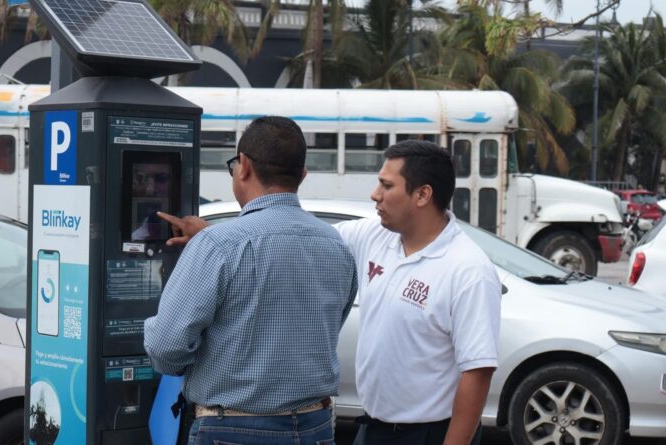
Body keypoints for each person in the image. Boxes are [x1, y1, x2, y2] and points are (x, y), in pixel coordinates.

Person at [143, 116, 359, 445]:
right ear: (302, 175)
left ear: (243, 166)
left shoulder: (218, 246)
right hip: (315, 428)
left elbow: (165, 349)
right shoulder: (335, 245)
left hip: (231, 430)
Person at [337, 140, 501, 445]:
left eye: (386, 185)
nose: (375, 195)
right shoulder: (374, 236)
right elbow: (313, 240)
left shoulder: (467, 269)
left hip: (428, 434)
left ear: (423, 194)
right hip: (372, 428)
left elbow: (477, 372)